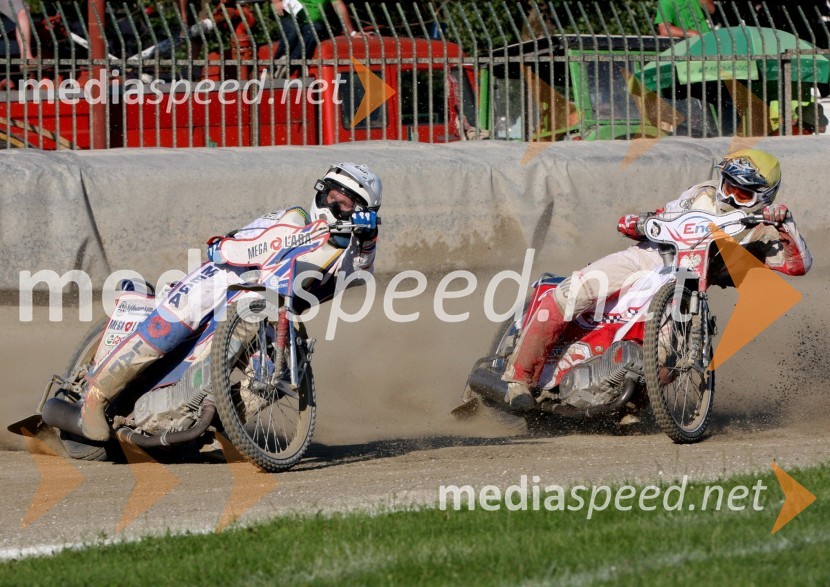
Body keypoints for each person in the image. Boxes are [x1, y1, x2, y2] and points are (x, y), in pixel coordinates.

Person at [79, 162, 382, 441]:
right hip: (225, 277)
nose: (332, 206)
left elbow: (359, 269)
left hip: (269, 310)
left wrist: (367, 237)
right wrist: (228, 247)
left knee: (278, 374)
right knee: (170, 325)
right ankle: (95, 397)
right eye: (330, 196)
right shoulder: (293, 219)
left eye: (344, 203)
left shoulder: (351, 252)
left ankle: (217, 428)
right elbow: (239, 245)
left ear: (362, 211)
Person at [502, 149, 812, 409]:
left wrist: (785, 224)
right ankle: (519, 381)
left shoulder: (763, 230)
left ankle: (628, 403)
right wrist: (639, 222)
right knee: (570, 293)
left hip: (689, 284)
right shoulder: (702, 192)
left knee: (671, 355)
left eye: (742, 193)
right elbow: (663, 215)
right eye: (728, 185)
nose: (729, 195)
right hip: (649, 256)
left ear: (763, 196)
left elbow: (797, 265)